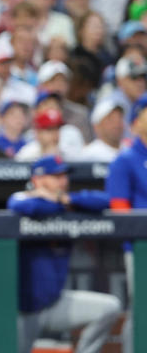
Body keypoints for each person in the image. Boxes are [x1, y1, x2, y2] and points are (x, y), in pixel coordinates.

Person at [8, 155, 122, 353]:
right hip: (21, 309)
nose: (63, 181)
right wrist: (58, 203)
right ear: (37, 180)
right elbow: (21, 204)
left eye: (64, 176)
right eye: (56, 176)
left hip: (54, 304)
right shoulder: (23, 198)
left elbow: (104, 201)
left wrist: (64, 199)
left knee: (110, 307)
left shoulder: (68, 202)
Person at [106, 92, 147, 353]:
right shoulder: (125, 160)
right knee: (142, 309)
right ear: (136, 121)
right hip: (141, 248)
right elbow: (120, 211)